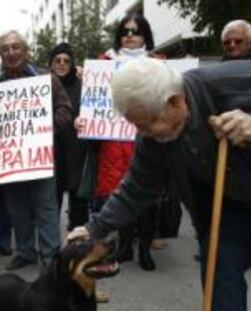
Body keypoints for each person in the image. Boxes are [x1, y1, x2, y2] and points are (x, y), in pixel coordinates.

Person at [69, 57, 251, 311]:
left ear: (176, 102)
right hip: (232, 205)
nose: (142, 134)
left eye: (147, 124)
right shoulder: (153, 137)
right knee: (219, 271)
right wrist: (95, 228)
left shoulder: (235, 81)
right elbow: (136, 188)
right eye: (136, 126)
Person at [85, 14, 161, 271]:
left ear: (144, 35)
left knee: (150, 193)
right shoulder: (103, 64)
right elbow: (93, 103)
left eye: (136, 31)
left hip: (148, 136)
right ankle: (126, 245)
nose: (130, 36)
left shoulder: (157, 63)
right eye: (125, 32)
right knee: (121, 190)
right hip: (114, 141)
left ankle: (146, 248)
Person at [0, 30, 72, 271]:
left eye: (16, 47)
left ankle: (51, 258)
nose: (11, 52)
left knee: (46, 208)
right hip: (11, 160)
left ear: (26, 50)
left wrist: (44, 127)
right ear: (0, 55)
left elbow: (65, 109)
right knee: (17, 209)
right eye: (5, 49)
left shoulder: (46, 78)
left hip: (40, 157)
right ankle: (26, 252)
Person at [48, 42, 89, 230]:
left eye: (66, 60)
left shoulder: (83, 86)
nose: (62, 64)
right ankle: (51, 245)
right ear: (51, 64)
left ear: (72, 64)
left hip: (77, 150)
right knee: (50, 199)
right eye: (58, 60)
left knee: (78, 198)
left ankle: (78, 238)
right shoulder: (41, 87)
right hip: (51, 152)